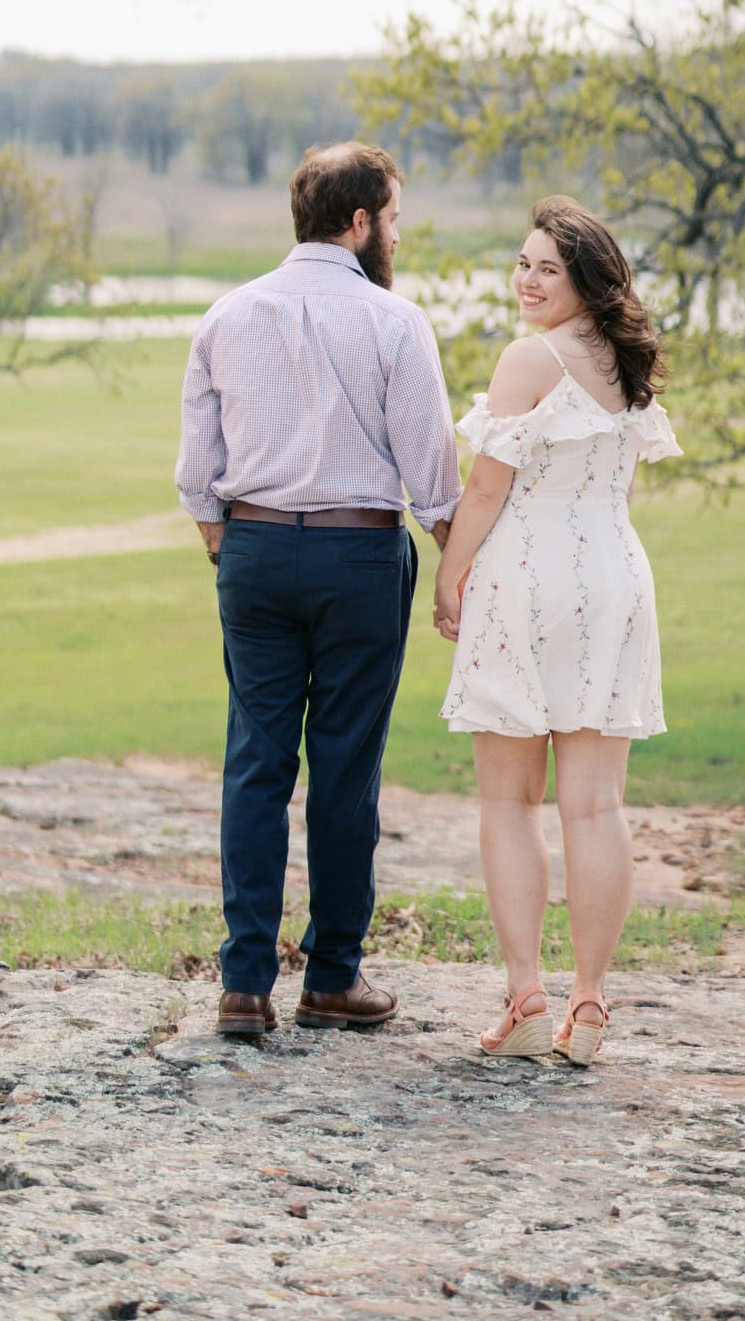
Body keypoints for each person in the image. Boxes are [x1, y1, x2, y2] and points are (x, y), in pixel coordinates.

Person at [176, 143, 460, 1040]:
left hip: (253, 551)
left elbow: (198, 475)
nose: (397, 234)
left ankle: (244, 986)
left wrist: (239, 544)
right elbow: (433, 475)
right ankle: (333, 975)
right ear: (361, 221)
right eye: (396, 218)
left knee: (256, 762)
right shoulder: (394, 320)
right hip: (360, 559)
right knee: (345, 768)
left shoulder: (227, 314)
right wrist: (459, 559)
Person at [433, 196, 680, 1066]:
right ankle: (592, 1005)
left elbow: (488, 490)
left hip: (528, 577)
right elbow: (617, 488)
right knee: (597, 802)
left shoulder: (528, 360)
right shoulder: (625, 361)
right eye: (524, 263)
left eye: (549, 268)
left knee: (510, 799)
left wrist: (450, 574)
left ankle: (529, 996)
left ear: (585, 279)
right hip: (614, 575)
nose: (528, 280)